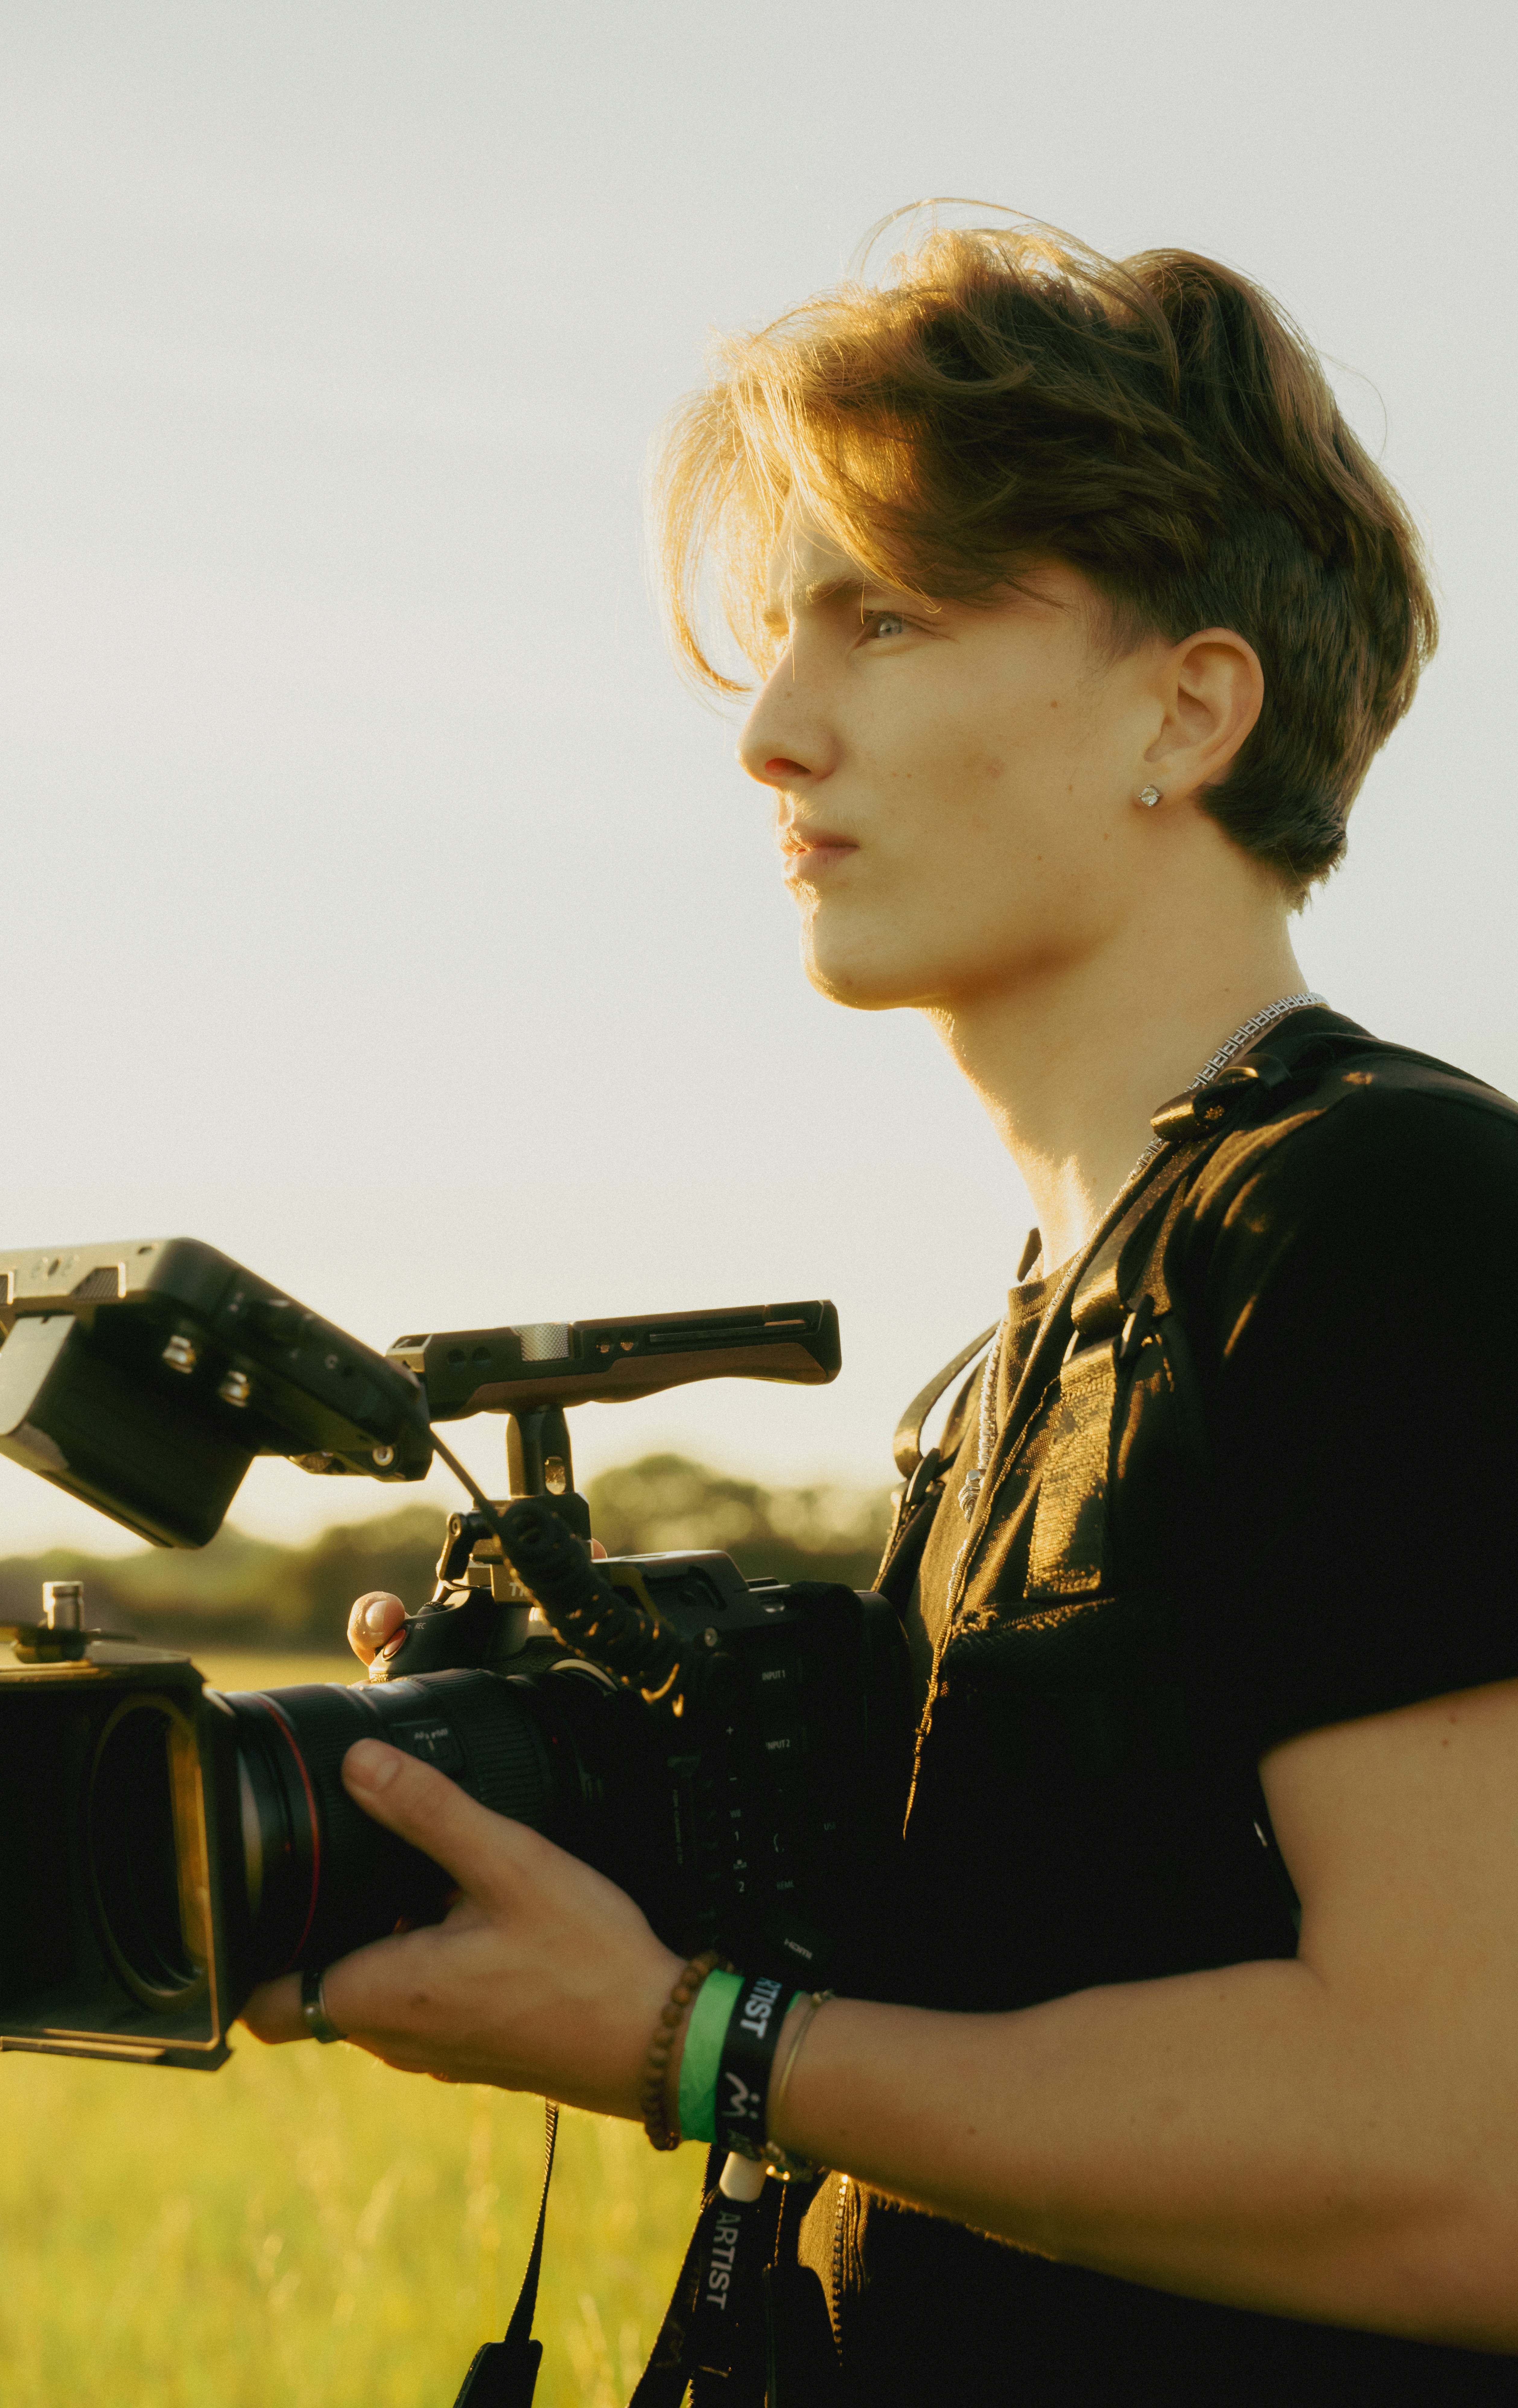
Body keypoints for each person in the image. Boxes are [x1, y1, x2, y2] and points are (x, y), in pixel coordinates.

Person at [244, 215, 1518, 2401]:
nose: (770, 733)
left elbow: (1460, 2159)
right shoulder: (1029, 1338)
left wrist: (690, 2042)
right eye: (776, 636)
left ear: (1186, 706)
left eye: (890, 618)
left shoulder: (1384, 1217)